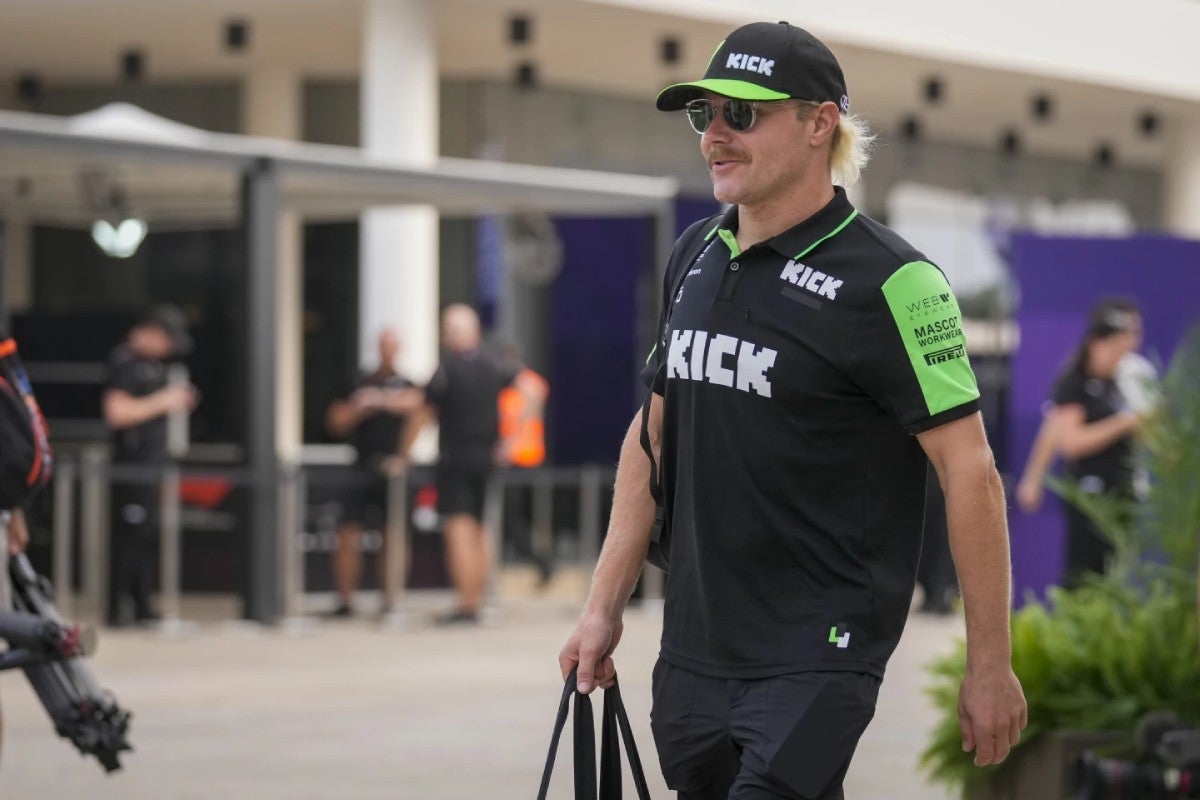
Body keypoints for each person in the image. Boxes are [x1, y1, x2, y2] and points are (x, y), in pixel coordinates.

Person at [557, 21, 1027, 799]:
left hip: (822, 650)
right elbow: (652, 438)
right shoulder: (694, 253)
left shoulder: (898, 282)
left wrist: (990, 663)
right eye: (704, 113)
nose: (715, 135)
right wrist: (602, 608)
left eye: (741, 114)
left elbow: (969, 471)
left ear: (819, 123)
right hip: (697, 648)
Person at [399, 304, 539, 625]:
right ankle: (479, 599)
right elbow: (532, 389)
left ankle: (467, 604)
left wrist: (403, 453)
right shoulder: (494, 362)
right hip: (487, 459)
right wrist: (514, 438)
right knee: (480, 529)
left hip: (456, 460)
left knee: (459, 529)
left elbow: (423, 414)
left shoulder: (447, 369)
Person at [1015, 298, 1145, 587]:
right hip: (1089, 494)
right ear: (1096, 342)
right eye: (1115, 345)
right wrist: (1033, 478)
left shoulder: (1126, 380)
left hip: (1123, 493)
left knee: (1115, 576)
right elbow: (1068, 441)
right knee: (1084, 575)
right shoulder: (1076, 383)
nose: (1122, 352)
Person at [102, 304, 197, 628]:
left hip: (151, 467)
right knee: (128, 538)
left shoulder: (153, 366)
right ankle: (118, 607)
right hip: (130, 468)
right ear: (154, 332)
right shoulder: (124, 361)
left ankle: (142, 604)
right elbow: (117, 412)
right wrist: (164, 401)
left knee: (145, 537)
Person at [323, 329, 422, 617]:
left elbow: (419, 407)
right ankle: (345, 601)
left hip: (393, 470)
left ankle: (391, 599)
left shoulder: (407, 384)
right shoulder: (358, 382)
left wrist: (380, 401)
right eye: (383, 345)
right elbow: (335, 422)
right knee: (347, 531)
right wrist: (358, 408)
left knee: (394, 534)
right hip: (361, 467)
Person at [497, 355, 553, 586]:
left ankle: (543, 562)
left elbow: (527, 414)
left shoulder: (529, 383)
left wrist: (507, 447)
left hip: (523, 459)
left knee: (514, 518)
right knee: (513, 518)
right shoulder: (511, 387)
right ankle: (540, 562)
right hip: (518, 459)